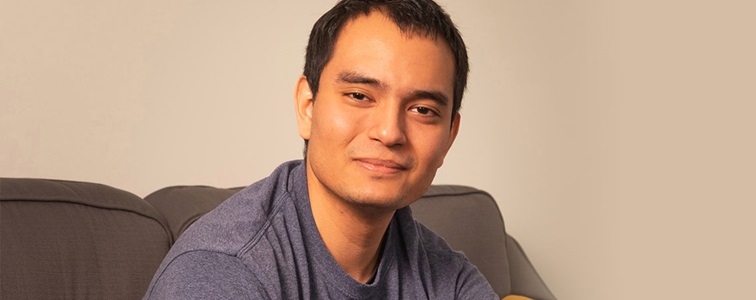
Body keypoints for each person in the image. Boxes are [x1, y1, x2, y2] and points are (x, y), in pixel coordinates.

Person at [144, 0, 498, 299]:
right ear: (307, 107)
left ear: (450, 136)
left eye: (422, 109)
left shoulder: (447, 278)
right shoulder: (222, 272)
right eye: (359, 96)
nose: (390, 132)